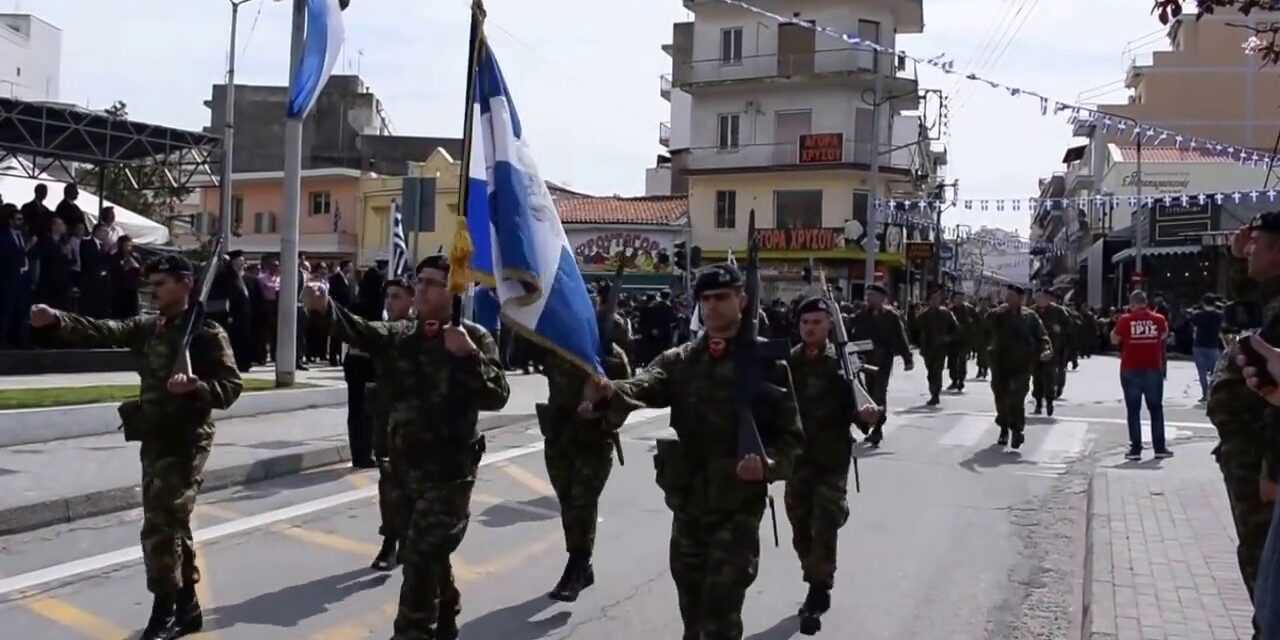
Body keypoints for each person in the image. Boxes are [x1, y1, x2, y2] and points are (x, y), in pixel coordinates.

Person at [581, 263, 804, 640]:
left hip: (737, 509)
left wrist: (768, 466)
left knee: (720, 614)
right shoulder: (681, 359)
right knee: (692, 611)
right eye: (706, 299)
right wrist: (611, 391)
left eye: (722, 297)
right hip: (688, 506)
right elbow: (647, 383)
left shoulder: (768, 363)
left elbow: (794, 440)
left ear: (743, 300)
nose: (713, 306)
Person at [28, 254, 242, 640]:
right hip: (155, 435)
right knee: (174, 523)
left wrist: (197, 387)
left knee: (159, 525)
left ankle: (163, 612)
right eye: (152, 285)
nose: (154, 291)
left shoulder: (207, 334)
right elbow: (102, 329)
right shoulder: (149, 328)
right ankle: (188, 607)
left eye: (162, 284)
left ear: (185, 284)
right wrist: (57, 319)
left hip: (187, 439)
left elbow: (231, 387)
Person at [308, 254, 509, 640]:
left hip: (449, 474)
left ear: (453, 291)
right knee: (428, 553)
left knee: (417, 557)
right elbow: (361, 331)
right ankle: (447, 605)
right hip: (403, 470)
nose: (422, 288)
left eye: (433, 283)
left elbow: (497, 395)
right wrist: (323, 306)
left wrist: (467, 356)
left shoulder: (475, 337)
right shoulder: (403, 334)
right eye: (420, 280)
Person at [786, 296, 880, 634]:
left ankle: (818, 586)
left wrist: (868, 415)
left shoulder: (842, 360)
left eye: (816, 322)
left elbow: (861, 405)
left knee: (823, 524)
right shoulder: (788, 361)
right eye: (805, 323)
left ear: (829, 325)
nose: (810, 328)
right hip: (796, 459)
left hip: (831, 458)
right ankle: (814, 568)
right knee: (800, 527)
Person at [535, 284, 631, 603]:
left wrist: (601, 410)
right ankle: (580, 563)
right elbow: (519, 352)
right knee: (567, 502)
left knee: (582, 502)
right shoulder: (556, 347)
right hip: (559, 437)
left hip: (594, 440)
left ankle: (578, 563)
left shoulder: (611, 356)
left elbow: (627, 400)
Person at [1207, 213, 1280, 632]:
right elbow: (1247, 305)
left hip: (1261, 466)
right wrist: (1237, 261)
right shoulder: (1272, 299)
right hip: (1248, 458)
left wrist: (1272, 468)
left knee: (1263, 565)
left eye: (1257, 243)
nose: (1247, 247)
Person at [368, 276, 415, 571]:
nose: (390, 302)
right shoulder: (385, 332)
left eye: (396, 296)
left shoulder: (421, 333)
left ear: (412, 299)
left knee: (413, 488)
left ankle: (408, 541)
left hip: (417, 427)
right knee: (389, 485)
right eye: (388, 297)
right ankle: (390, 542)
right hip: (386, 421)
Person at [847, 283, 914, 448]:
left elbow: (901, 337)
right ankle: (872, 425)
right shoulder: (862, 315)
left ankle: (877, 428)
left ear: (882, 298)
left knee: (879, 393)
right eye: (867, 295)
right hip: (864, 361)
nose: (868, 298)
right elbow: (849, 330)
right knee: (868, 394)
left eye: (872, 295)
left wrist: (907, 358)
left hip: (883, 361)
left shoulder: (891, 316)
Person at [988, 284, 1053, 450]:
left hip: (1022, 365)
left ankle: (1017, 430)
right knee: (1001, 397)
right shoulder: (999, 314)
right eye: (1006, 296)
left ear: (1020, 299)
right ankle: (1003, 427)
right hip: (1000, 363)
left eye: (1011, 296)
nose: (1008, 299)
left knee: (1017, 399)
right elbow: (984, 326)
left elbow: (1042, 336)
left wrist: (1046, 350)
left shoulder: (1030, 317)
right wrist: (995, 312)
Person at [1112, 290, 1173, 461]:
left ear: (1131, 304)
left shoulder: (1125, 320)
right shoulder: (1159, 319)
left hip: (1130, 369)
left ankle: (1136, 449)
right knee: (1156, 408)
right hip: (1153, 368)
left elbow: (1114, 339)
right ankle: (1159, 448)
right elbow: (1163, 335)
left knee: (1133, 410)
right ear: (1146, 302)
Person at [1032, 289, 1072, 416]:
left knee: (1049, 377)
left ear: (1047, 299)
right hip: (1036, 350)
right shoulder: (1032, 312)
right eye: (1037, 298)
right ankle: (1038, 403)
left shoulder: (1058, 311)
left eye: (1042, 298)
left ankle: (1049, 402)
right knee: (1036, 378)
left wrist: (1060, 329)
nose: (1040, 301)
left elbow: (1070, 325)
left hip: (1052, 349)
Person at [917, 288, 959, 406]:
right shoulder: (924, 315)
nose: (935, 301)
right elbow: (915, 330)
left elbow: (956, 329)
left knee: (937, 370)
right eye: (933, 299)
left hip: (941, 348)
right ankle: (933, 390)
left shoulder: (946, 313)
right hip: (927, 348)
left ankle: (935, 394)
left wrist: (948, 338)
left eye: (937, 299)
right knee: (930, 372)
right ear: (929, 301)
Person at [31, 216, 75, 312]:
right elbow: (44, 257)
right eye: (61, 224)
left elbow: (72, 261)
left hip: (63, 281)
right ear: (54, 227)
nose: (64, 226)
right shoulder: (45, 240)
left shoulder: (64, 241)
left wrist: (69, 254)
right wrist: (60, 251)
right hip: (49, 282)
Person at [0, 204, 29, 348]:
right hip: (8, 278)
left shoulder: (22, 235)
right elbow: (8, 255)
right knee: (6, 309)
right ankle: (3, 340)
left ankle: (18, 339)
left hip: (22, 278)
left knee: (20, 310)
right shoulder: (3, 235)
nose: (21, 222)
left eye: (22, 219)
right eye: (18, 219)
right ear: (10, 221)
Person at [1191, 294, 1225, 403]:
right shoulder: (1219, 316)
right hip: (1213, 346)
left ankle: (1205, 394)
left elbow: (1194, 329)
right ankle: (1213, 393)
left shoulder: (1197, 315)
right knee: (1215, 372)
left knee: (1202, 373)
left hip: (1199, 346)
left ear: (1203, 303)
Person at [78, 223, 114, 318]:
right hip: (90, 282)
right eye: (104, 231)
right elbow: (90, 261)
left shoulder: (105, 245)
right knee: (89, 310)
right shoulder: (86, 243)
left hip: (103, 284)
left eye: (107, 232)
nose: (106, 234)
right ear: (97, 231)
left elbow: (108, 263)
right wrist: (104, 251)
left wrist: (109, 252)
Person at [947, 291, 977, 392]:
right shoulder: (950, 310)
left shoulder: (969, 309)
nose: (959, 300)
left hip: (965, 340)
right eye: (957, 298)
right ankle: (954, 380)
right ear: (953, 299)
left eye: (961, 298)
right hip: (952, 340)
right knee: (952, 361)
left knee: (962, 360)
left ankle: (961, 380)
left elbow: (977, 322)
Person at [328, 260, 355, 366]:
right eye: (349, 266)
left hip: (347, 311)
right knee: (335, 335)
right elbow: (332, 295)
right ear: (344, 267)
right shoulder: (334, 279)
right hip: (337, 310)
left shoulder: (350, 280)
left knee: (343, 335)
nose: (351, 268)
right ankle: (333, 358)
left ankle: (340, 357)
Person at [110, 236, 143, 319]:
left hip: (132, 287)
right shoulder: (115, 256)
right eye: (126, 245)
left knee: (133, 312)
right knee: (119, 312)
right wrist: (124, 267)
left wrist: (136, 266)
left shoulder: (136, 256)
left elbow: (141, 271)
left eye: (129, 245)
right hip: (119, 288)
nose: (128, 248)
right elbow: (113, 272)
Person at [974, 298, 992, 380]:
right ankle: (979, 369)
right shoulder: (977, 313)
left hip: (988, 337)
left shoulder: (991, 313)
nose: (984, 304)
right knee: (979, 355)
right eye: (982, 303)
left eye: (985, 302)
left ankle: (985, 369)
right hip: (979, 336)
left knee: (986, 355)